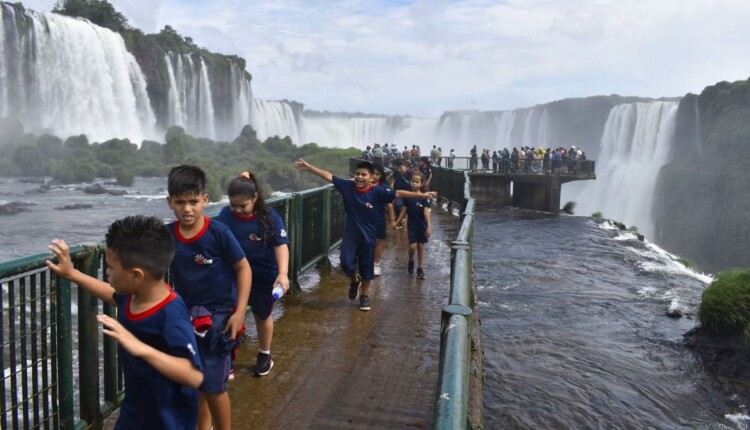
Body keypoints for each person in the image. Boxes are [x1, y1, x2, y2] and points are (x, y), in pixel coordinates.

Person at [45, 215, 204, 429]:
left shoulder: (171, 315)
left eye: (110, 268)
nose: (107, 274)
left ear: (137, 275)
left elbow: (193, 376)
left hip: (168, 419)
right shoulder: (136, 296)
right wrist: (72, 273)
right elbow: (112, 294)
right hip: (136, 411)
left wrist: (141, 348)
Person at [166, 165, 252, 430]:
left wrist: (239, 313)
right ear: (170, 202)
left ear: (205, 199)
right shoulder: (168, 235)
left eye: (193, 201)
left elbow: (243, 268)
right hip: (186, 315)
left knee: (214, 385)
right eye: (180, 202)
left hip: (220, 317)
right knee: (195, 381)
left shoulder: (218, 233)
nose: (187, 209)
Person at [294, 159, 436, 311]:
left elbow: (398, 193)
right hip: (351, 235)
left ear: (371, 178)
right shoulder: (348, 187)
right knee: (346, 264)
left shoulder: (377, 192)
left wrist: (421, 195)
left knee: (367, 267)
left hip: (368, 235)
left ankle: (364, 296)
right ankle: (355, 281)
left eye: (363, 175)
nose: (359, 177)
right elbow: (329, 176)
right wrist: (309, 167)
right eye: (357, 174)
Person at [216, 171, 289, 378]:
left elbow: (281, 246)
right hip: (233, 276)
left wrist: (283, 273)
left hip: (263, 275)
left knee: (262, 314)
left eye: (243, 206)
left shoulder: (270, 216)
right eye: (233, 206)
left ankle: (264, 354)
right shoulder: (224, 215)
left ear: (255, 198)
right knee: (229, 314)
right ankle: (226, 357)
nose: (237, 210)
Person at [393, 172, 432, 279]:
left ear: (421, 184)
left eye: (417, 182)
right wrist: (397, 222)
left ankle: (420, 268)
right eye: (413, 181)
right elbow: (404, 210)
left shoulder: (424, 197)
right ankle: (410, 260)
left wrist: (429, 226)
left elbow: (426, 212)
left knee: (420, 246)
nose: (414, 184)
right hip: (412, 225)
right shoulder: (407, 196)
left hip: (422, 225)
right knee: (412, 246)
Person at [370, 163, 395, 276]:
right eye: (372, 173)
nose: (374, 176)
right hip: (365, 217)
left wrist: (392, 220)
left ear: (381, 176)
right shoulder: (364, 185)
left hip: (379, 216)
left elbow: (389, 204)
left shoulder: (383, 187)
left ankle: (377, 264)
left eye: (377, 174)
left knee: (378, 241)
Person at [390, 159, 412, 229]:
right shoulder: (397, 172)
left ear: (406, 167)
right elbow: (394, 178)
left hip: (409, 193)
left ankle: (405, 220)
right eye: (399, 168)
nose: (400, 170)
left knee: (409, 208)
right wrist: (392, 183)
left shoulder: (411, 173)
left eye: (401, 168)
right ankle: (399, 221)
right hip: (399, 192)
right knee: (397, 205)